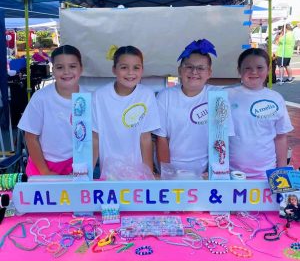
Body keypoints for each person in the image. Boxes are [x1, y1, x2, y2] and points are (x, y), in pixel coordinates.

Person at [153, 39, 232, 175]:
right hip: (171, 168)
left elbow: (222, 138)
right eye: (189, 67)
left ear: (209, 73)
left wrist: (214, 171)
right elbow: (161, 139)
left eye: (201, 68)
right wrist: (167, 173)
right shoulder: (165, 96)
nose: (194, 72)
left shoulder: (217, 96)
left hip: (205, 170)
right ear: (179, 70)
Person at [18, 45, 85, 176]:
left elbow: (92, 138)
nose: (66, 72)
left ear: (81, 68)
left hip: (76, 168)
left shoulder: (88, 98)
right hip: (42, 166)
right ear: (53, 70)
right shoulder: (41, 98)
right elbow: (30, 137)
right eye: (60, 67)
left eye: (72, 66)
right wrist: (45, 171)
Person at [227, 48, 293, 179]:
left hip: (266, 173)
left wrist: (282, 171)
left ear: (268, 70)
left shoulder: (276, 98)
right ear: (239, 70)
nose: (254, 72)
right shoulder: (226, 95)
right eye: (247, 68)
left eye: (259, 67)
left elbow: (281, 137)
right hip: (230, 173)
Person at [92, 45, 160, 173]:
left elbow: (145, 138)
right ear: (114, 69)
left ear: (142, 70)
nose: (130, 73)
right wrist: (87, 174)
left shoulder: (147, 95)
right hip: (108, 173)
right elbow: (95, 137)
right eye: (124, 67)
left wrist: (148, 174)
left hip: (138, 173)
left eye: (136, 68)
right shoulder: (99, 96)